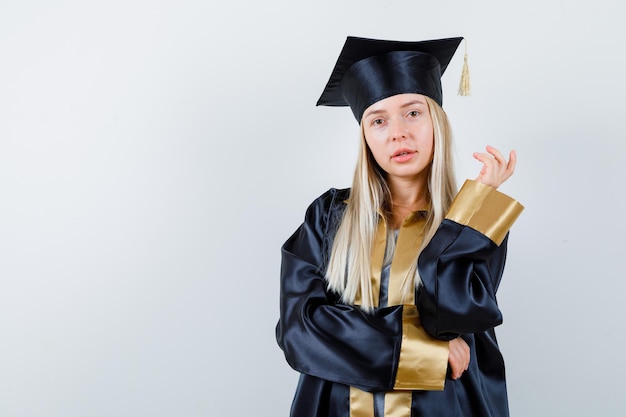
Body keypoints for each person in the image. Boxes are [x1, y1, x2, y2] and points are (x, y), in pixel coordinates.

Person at [276, 36, 524, 417]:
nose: (397, 133)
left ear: (437, 122)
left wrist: (472, 208)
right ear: (366, 138)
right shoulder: (329, 216)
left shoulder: (474, 220)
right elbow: (299, 329)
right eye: (378, 120)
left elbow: (450, 316)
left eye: (412, 113)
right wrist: (423, 351)